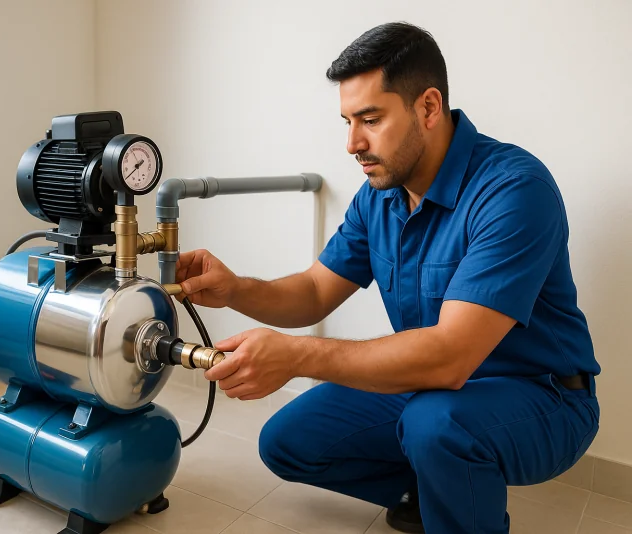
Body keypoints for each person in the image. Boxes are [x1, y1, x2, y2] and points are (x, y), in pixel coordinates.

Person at [174, 21, 600, 534]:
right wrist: (234, 288)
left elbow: (448, 356)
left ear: (428, 107)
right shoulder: (379, 196)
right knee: (288, 440)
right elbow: (314, 292)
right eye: (347, 121)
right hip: (432, 388)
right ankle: (436, 489)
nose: (353, 143)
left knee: (437, 426)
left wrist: (298, 356)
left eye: (371, 119)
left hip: (542, 396)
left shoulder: (512, 190)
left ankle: (460, 501)